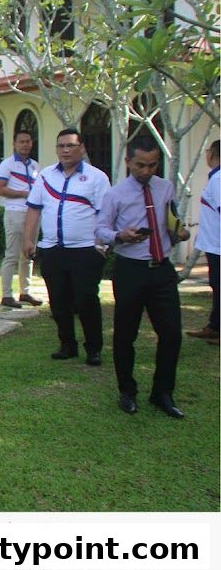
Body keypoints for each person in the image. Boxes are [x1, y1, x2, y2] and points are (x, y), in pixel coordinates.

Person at [96, 135, 190, 418]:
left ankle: (163, 393)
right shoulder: (115, 194)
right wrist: (119, 236)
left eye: (152, 165)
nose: (146, 171)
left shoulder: (165, 188)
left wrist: (179, 232)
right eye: (140, 165)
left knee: (171, 334)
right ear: (128, 162)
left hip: (161, 269)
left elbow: (173, 221)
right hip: (130, 270)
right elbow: (100, 229)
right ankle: (127, 391)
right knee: (125, 335)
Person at [23, 128, 111, 366]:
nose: (65, 150)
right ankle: (67, 345)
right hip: (53, 249)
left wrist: (100, 246)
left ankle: (93, 348)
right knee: (58, 301)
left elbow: (106, 213)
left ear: (81, 148)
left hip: (85, 251)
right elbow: (34, 207)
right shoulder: (46, 176)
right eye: (61, 146)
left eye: (70, 145)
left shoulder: (97, 178)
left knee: (86, 301)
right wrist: (28, 239)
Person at [0, 131, 43, 308]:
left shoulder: (35, 166)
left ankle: (25, 292)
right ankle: (7, 295)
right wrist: (24, 194)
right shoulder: (6, 165)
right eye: (21, 142)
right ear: (14, 144)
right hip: (15, 212)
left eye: (28, 141)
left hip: (32, 213)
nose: (25, 145)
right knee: (12, 255)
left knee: (28, 254)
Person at [187, 139, 220, 342]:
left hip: (218, 245)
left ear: (211, 154)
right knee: (216, 285)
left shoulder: (218, 180)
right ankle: (214, 326)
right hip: (214, 244)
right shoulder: (215, 178)